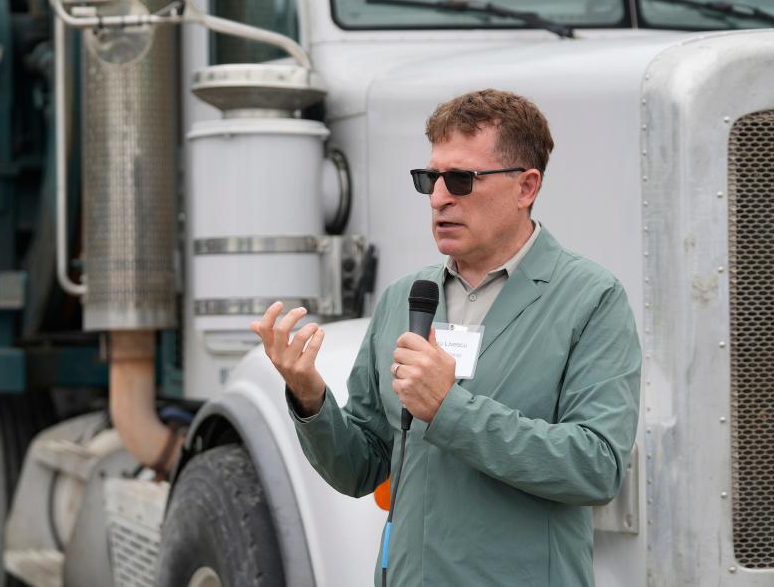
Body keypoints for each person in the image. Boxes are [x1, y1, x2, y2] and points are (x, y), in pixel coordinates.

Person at [250, 89, 642, 586]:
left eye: (461, 179)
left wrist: (448, 408)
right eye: (429, 178)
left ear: (526, 187)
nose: (439, 197)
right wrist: (309, 397)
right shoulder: (404, 298)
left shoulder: (591, 298)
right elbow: (361, 468)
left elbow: (596, 467)